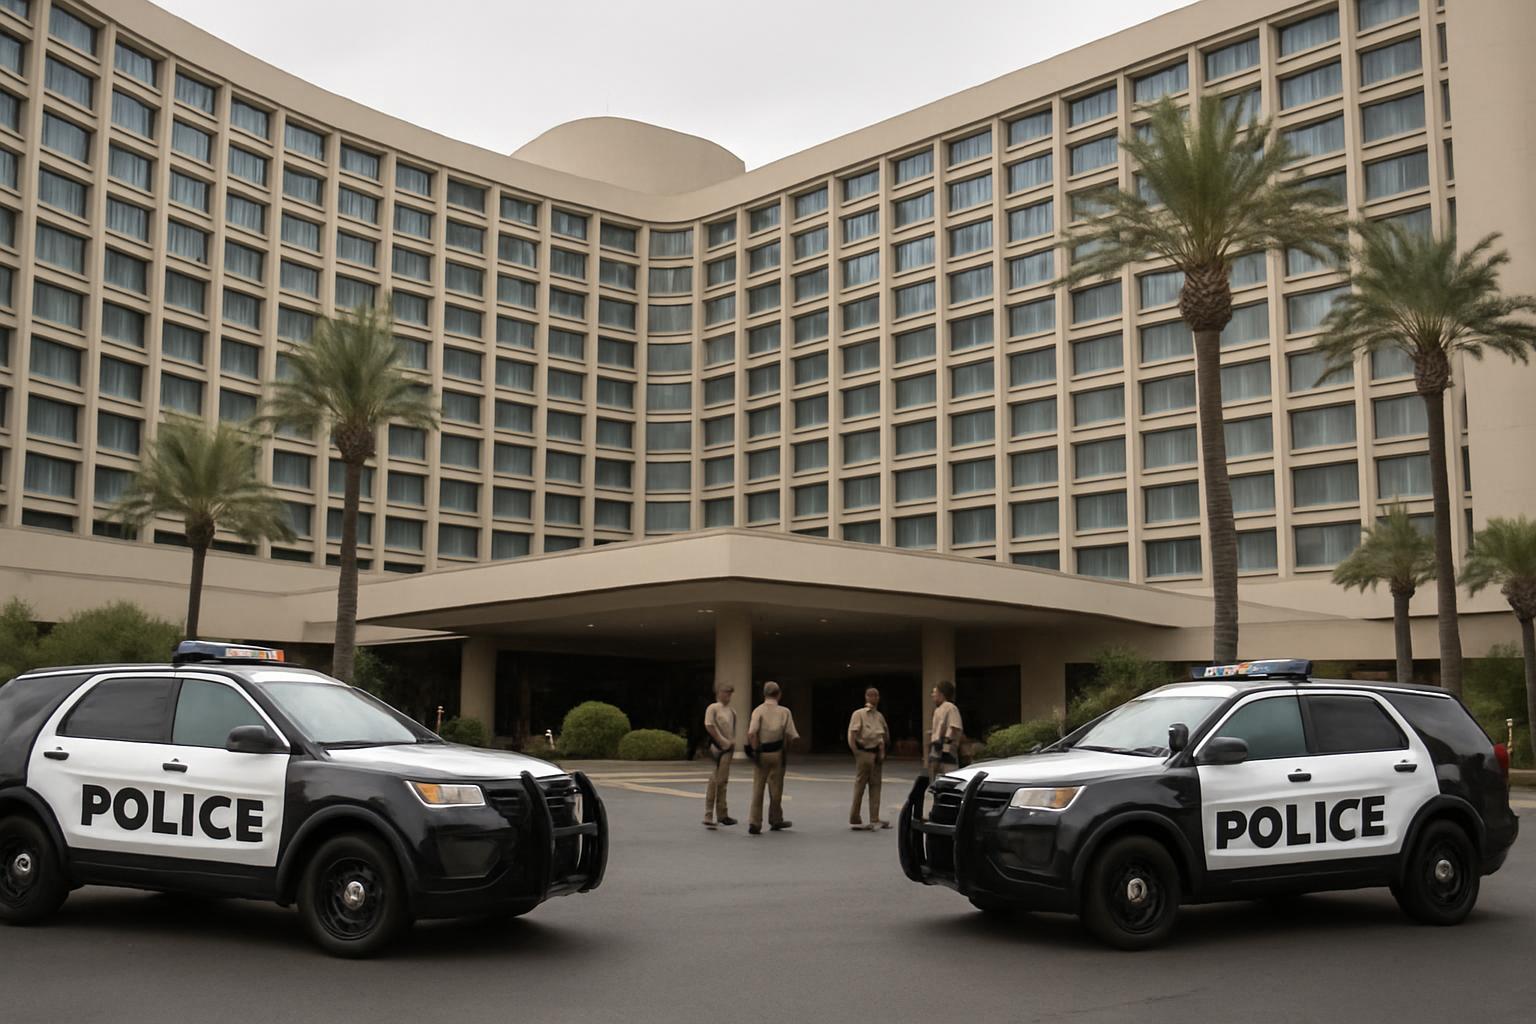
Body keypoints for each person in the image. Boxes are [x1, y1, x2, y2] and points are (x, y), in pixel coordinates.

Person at [746, 681, 799, 835]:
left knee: (758, 788)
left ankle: (755, 822)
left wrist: (756, 750)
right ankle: (776, 819)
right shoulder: (785, 712)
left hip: (762, 752)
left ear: (764, 694)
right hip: (777, 753)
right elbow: (790, 735)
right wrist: (785, 750)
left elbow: (751, 733)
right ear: (779, 694)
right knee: (776, 789)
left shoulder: (758, 711)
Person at [847, 687, 891, 831]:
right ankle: (855, 815)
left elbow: (883, 736)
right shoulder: (859, 714)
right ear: (866, 697)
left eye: (876, 695)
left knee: (876, 786)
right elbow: (853, 734)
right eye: (870, 695)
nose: (873, 698)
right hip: (864, 752)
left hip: (877, 754)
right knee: (860, 785)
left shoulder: (879, 716)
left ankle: (874, 817)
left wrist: (882, 751)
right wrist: (855, 751)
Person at [702, 683, 739, 829]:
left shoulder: (732, 711)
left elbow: (732, 730)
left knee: (723, 781)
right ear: (718, 693)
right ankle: (709, 813)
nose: (728, 695)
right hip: (717, 747)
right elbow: (709, 725)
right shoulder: (713, 708)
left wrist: (732, 742)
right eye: (725, 692)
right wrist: (722, 741)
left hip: (728, 748)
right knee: (715, 780)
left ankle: (722, 813)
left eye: (730, 693)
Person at [927, 681, 963, 780]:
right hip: (936, 749)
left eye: (935, 692)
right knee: (935, 779)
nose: (932, 695)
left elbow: (953, 727)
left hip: (945, 750)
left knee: (948, 778)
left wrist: (945, 746)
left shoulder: (950, 708)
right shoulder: (938, 710)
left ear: (941, 694)